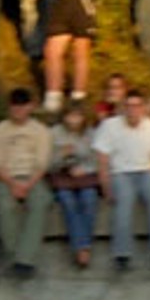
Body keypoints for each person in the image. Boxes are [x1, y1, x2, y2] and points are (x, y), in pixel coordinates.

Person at [94, 89, 150, 270]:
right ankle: (121, 254)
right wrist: (106, 187)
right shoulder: (109, 126)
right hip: (120, 173)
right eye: (129, 106)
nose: (133, 110)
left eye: (137, 106)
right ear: (123, 108)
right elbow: (102, 159)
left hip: (146, 171)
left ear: (144, 108)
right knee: (124, 200)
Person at [0, 88, 54, 278]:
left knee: (40, 203)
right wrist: (12, 184)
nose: (18, 111)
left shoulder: (41, 131)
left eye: (22, 106)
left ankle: (25, 259)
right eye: (14, 106)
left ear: (30, 107)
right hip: (5, 177)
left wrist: (28, 184)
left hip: (32, 177)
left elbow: (42, 163)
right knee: (5, 206)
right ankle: (14, 255)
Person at [49, 103, 101, 267]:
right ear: (64, 117)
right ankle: (83, 249)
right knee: (68, 202)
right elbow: (47, 163)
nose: (73, 120)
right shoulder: (54, 133)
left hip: (85, 177)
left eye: (77, 116)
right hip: (63, 177)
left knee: (89, 199)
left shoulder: (91, 133)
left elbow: (98, 161)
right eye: (70, 116)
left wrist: (84, 169)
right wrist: (62, 155)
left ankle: (82, 247)